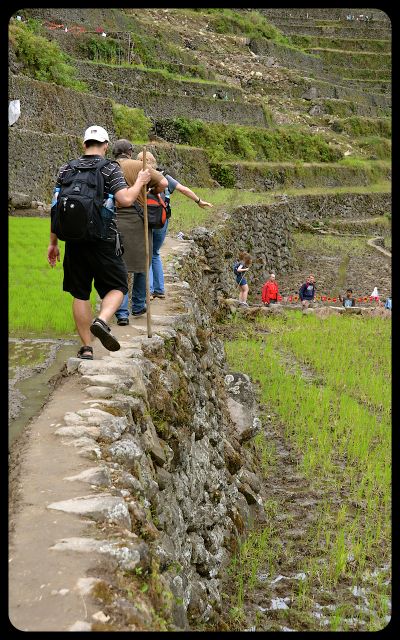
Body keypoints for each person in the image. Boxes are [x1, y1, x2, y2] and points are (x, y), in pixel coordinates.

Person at [47, 125, 153, 358]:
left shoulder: (66, 169)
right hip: (104, 239)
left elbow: (56, 207)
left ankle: (86, 348)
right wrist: (141, 181)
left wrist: (53, 243)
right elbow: (125, 199)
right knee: (118, 287)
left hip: (74, 241)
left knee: (80, 294)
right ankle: (103, 321)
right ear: (105, 145)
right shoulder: (109, 169)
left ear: (84, 144)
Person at [136, 150, 213, 300]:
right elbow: (183, 189)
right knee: (156, 253)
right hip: (162, 220)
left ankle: (150, 291)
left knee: (147, 254)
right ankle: (159, 289)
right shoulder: (165, 177)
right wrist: (199, 201)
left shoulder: (141, 177)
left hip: (145, 220)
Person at [111, 140, 168, 324]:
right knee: (143, 262)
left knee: (118, 266)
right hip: (138, 220)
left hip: (113, 220)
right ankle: (138, 304)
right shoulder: (139, 166)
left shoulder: (108, 167)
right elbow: (164, 182)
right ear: (129, 152)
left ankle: (121, 312)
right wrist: (149, 190)